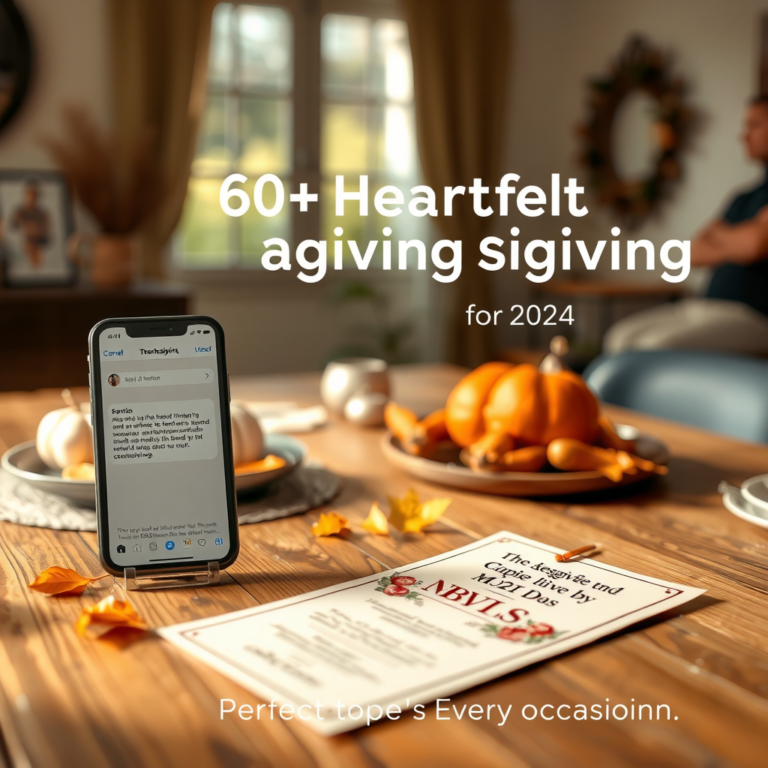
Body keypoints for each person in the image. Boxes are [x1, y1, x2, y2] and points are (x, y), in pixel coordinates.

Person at [604, 95, 768, 355]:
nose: (743, 135)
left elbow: (754, 245)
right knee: (618, 338)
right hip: (704, 308)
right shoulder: (743, 198)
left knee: (655, 346)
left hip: (754, 316)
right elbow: (693, 252)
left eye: (754, 125)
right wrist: (743, 237)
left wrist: (724, 238)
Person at [10, 180, 51, 269]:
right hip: (23, 244)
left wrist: (37, 232)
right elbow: (12, 228)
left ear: (37, 197)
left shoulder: (43, 214)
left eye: (34, 195)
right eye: (29, 195)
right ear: (25, 195)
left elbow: (47, 235)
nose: (31, 198)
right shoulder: (19, 212)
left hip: (38, 243)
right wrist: (24, 226)